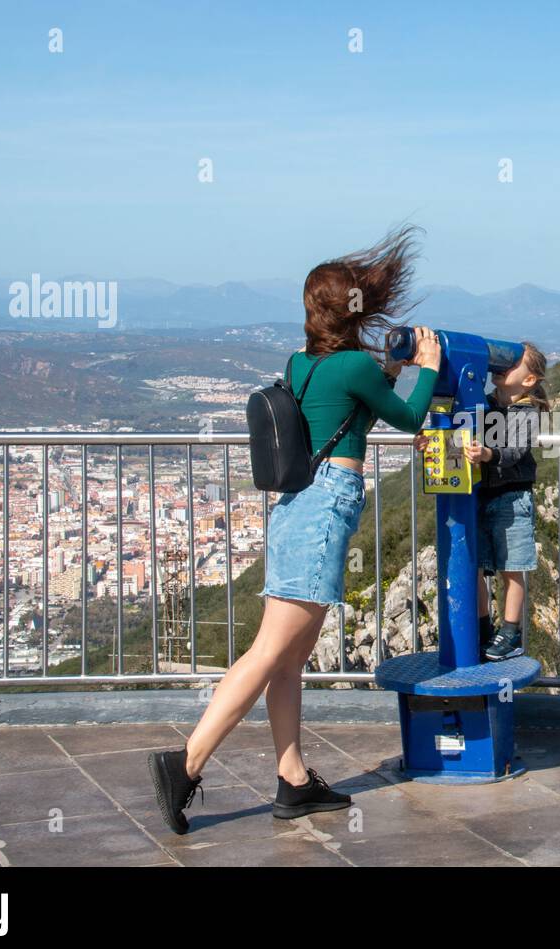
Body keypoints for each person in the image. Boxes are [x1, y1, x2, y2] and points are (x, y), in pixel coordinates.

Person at [148, 226, 441, 834]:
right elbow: (408, 413)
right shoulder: (356, 365)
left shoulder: (301, 363)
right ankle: (187, 763)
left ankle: (294, 780)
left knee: (289, 659)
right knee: (269, 653)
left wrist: (390, 367)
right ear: (352, 309)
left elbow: (354, 395)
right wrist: (428, 367)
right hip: (325, 506)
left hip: (291, 508)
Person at [466, 342, 549, 661]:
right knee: (476, 567)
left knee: (511, 570)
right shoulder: (482, 405)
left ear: (529, 380)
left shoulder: (528, 411)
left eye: (513, 363)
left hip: (513, 499)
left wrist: (489, 454)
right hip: (481, 495)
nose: (503, 366)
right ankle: (483, 628)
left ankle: (510, 632)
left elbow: (516, 451)